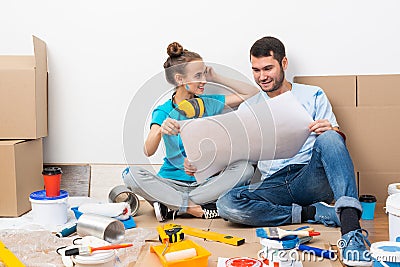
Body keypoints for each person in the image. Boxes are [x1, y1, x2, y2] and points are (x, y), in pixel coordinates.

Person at [214, 37, 371, 266]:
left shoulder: (313, 94)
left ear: (284, 63)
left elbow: (333, 141)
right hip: (274, 183)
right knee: (227, 204)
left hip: (309, 176)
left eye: (268, 68)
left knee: (330, 137)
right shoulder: (249, 107)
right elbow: (242, 156)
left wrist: (331, 129)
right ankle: (311, 213)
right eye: (256, 70)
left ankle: (350, 230)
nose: (262, 76)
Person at [123, 42, 258, 222]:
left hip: (206, 183)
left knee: (246, 170)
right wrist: (160, 131)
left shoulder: (209, 103)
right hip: (171, 183)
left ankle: (173, 206)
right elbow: (148, 150)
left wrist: (217, 78)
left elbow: (253, 93)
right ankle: (194, 208)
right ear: (180, 79)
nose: (203, 80)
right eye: (197, 75)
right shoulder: (163, 111)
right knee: (130, 175)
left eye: (203, 73)